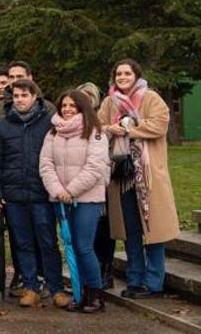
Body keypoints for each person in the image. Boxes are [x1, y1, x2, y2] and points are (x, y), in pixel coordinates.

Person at [98, 59, 180, 299]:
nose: (123, 77)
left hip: (148, 175)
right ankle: (134, 279)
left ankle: (154, 282)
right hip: (122, 175)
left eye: (127, 73)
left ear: (136, 75)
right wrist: (109, 129)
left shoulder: (151, 98)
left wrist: (128, 128)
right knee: (130, 230)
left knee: (153, 230)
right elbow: (99, 125)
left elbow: (159, 125)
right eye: (119, 73)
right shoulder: (109, 102)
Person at [0, 79, 70, 308]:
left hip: (42, 194)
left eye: (24, 95)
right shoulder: (4, 126)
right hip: (13, 195)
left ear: (35, 96)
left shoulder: (49, 122)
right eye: (16, 96)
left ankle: (56, 288)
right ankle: (31, 286)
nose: (20, 100)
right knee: (22, 243)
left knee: (47, 241)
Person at [40, 89, 110, 312]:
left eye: (73, 106)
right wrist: (58, 191)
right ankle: (80, 294)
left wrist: (71, 190)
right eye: (64, 106)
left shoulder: (95, 132)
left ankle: (95, 295)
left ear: (82, 108)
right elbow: (46, 165)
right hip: (61, 199)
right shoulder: (53, 133)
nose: (68, 110)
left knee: (83, 246)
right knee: (70, 246)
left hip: (88, 199)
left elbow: (95, 166)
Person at [79, 81, 116, 290]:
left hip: (102, 183)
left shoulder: (101, 125)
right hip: (79, 185)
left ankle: (106, 269)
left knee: (104, 229)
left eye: (89, 97)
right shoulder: (73, 122)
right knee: (86, 235)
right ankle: (91, 272)